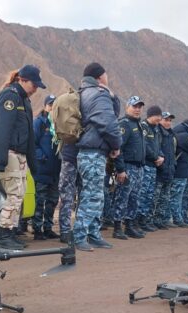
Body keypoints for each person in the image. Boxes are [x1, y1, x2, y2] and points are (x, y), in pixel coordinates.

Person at [0, 65, 45, 249]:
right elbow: (2, 128)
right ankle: (3, 234)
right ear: (22, 80)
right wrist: (1, 158)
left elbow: (28, 134)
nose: (36, 88)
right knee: (14, 194)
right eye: (34, 84)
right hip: (10, 154)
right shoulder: (10, 96)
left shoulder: (24, 100)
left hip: (20, 155)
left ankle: (12, 232)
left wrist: (32, 162)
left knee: (20, 194)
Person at [73, 62, 122, 251]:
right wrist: (116, 145)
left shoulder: (83, 92)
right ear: (100, 77)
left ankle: (93, 234)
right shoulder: (99, 95)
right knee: (92, 195)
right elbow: (109, 123)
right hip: (93, 152)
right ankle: (79, 236)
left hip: (88, 152)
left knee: (95, 194)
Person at [112, 96, 146, 239]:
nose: (137, 109)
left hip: (138, 168)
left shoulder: (139, 125)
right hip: (127, 167)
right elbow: (118, 148)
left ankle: (130, 225)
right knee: (122, 197)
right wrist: (121, 169)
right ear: (127, 107)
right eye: (134, 106)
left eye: (139, 107)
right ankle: (117, 227)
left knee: (134, 198)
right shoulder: (124, 125)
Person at [31, 95, 61, 240]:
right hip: (42, 169)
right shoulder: (39, 123)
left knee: (52, 200)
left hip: (56, 170)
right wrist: (42, 156)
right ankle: (37, 230)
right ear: (45, 106)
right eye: (50, 105)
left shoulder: (59, 124)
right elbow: (33, 143)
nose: (52, 108)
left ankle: (48, 228)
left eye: (54, 105)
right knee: (40, 200)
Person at [137, 105, 163, 232]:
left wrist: (161, 157)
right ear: (150, 115)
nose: (159, 118)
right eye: (157, 116)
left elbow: (159, 146)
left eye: (160, 116)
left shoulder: (157, 129)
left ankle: (144, 220)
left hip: (154, 166)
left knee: (149, 195)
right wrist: (155, 157)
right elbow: (145, 146)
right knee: (142, 194)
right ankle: (137, 221)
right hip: (146, 165)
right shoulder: (144, 127)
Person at [152, 112, 176, 230]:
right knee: (154, 198)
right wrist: (162, 166)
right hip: (160, 171)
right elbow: (157, 150)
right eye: (166, 120)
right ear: (160, 120)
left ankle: (159, 220)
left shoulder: (171, 135)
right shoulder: (158, 133)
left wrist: (172, 167)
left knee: (164, 198)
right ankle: (150, 220)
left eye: (170, 120)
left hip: (169, 171)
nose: (168, 122)